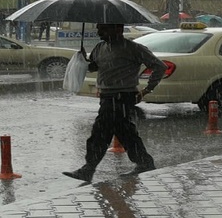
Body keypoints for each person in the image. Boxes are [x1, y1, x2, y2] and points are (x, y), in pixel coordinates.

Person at [62, 23, 167, 182]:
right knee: (125, 133)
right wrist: (83, 60)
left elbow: (160, 66)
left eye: (102, 29)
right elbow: (93, 67)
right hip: (106, 96)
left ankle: (88, 169)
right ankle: (144, 162)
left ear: (117, 29)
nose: (98, 32)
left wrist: (147, 89)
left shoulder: (133, 49)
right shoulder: (100, 47)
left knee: (100, 132)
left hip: (122, 96)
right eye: (98, 28)